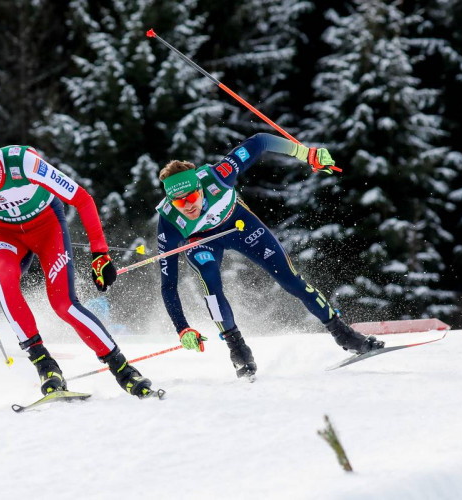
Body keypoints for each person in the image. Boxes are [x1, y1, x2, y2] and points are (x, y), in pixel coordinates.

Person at [0, 121, 154, 398]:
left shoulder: (24, 164)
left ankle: (123, 369)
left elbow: (83, 200)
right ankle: (45, 365)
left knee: (63, 304)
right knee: (3, 278)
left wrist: (100, 254)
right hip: (6, 232)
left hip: (47, 226)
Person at [156, 133, 384, 378]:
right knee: (210, 279)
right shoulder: (168, 223)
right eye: (179, 203)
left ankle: (344, 334)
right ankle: (239, 351)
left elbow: (261, 141)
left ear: (200, 188)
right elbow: (168, 285)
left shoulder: (219, 175)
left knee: (290, 280)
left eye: (191, 197)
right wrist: (182, 329)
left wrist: (306, 154)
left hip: (239, 224)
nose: (188, 206)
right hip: (201, 242)